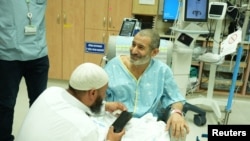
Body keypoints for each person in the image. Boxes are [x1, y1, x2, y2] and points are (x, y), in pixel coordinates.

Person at [104, 29, 190, 139]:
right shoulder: (114, 66)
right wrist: (106, 106)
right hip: (115, 121)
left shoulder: (162, 71)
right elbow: (98, 96)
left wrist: (177, 113)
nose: (134, 51)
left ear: (154, 52)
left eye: (141, 47)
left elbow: (175, 97)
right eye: (133, 44)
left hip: (147, 125)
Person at [15, 63, 127, 141]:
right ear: (92, 93)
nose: (104, 96)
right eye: (104, 93)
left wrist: (104, 106)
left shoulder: (50, 92)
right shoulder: (85, 128)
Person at [0, 1, 49, 141]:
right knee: (5, 104)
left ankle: (37, 137)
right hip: (8, 56)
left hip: (38, 55)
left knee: (39, 104)